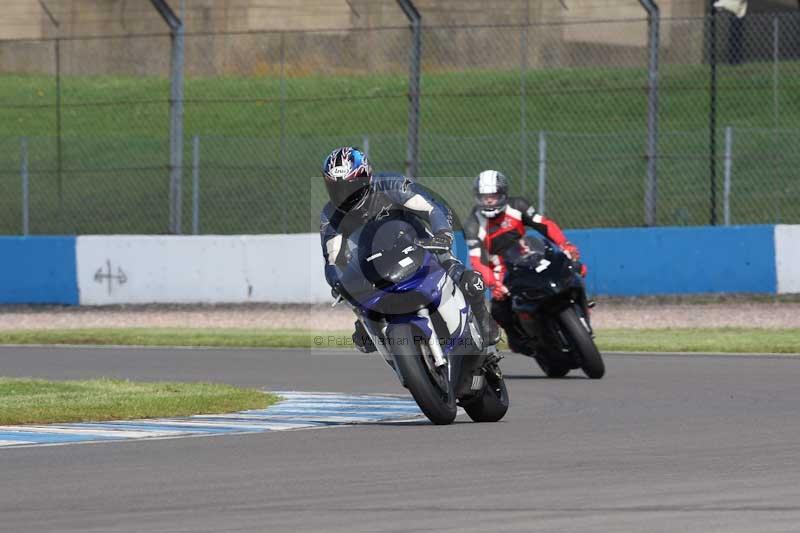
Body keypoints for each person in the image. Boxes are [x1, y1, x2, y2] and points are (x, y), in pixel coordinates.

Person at [319, 147, 500, 353]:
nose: (343, 195)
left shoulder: (390, 184)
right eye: (336, 188)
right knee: (352, 297)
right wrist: (337, 281)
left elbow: (432, 207)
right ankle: (370, 326)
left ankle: (481, 315)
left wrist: (443, 233)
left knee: (459, 274)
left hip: (417, 242)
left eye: (349, 187)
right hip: (374, 262)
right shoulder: (330, 214)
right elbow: (331, 258)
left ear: (366, 177)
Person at [463, 170, 585, 355]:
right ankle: (517, 338)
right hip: (500, 268)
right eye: (484, 197)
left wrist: (565, 244)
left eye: (493, 196)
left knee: (572, 267)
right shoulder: (473, 225)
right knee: (499, 307)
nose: (489, 201)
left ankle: (582, 309)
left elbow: (545, 225)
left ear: (503, 195)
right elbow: (477, 261)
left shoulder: (518, 206)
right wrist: (493, 284)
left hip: (527, 253)